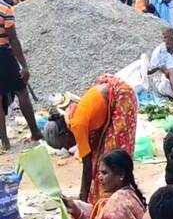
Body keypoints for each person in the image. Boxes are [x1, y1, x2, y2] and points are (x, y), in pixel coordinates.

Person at [43, 76, 137, 204]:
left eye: (63, 145)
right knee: (98, 158)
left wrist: (82, 200)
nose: (67, 148)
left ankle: (118, 201)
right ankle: (98, 201)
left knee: (113, 157)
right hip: (110, 98)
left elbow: (87, 167)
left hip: (121, 96)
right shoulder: (70, 119)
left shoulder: (77, 125)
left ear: (64, 134)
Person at [0, 0, 42, 150]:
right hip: (3, 54)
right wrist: (24, 66)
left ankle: (4, 141)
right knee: (22, 92)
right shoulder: (5, 9)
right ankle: (35, 132)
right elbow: (13, 39)